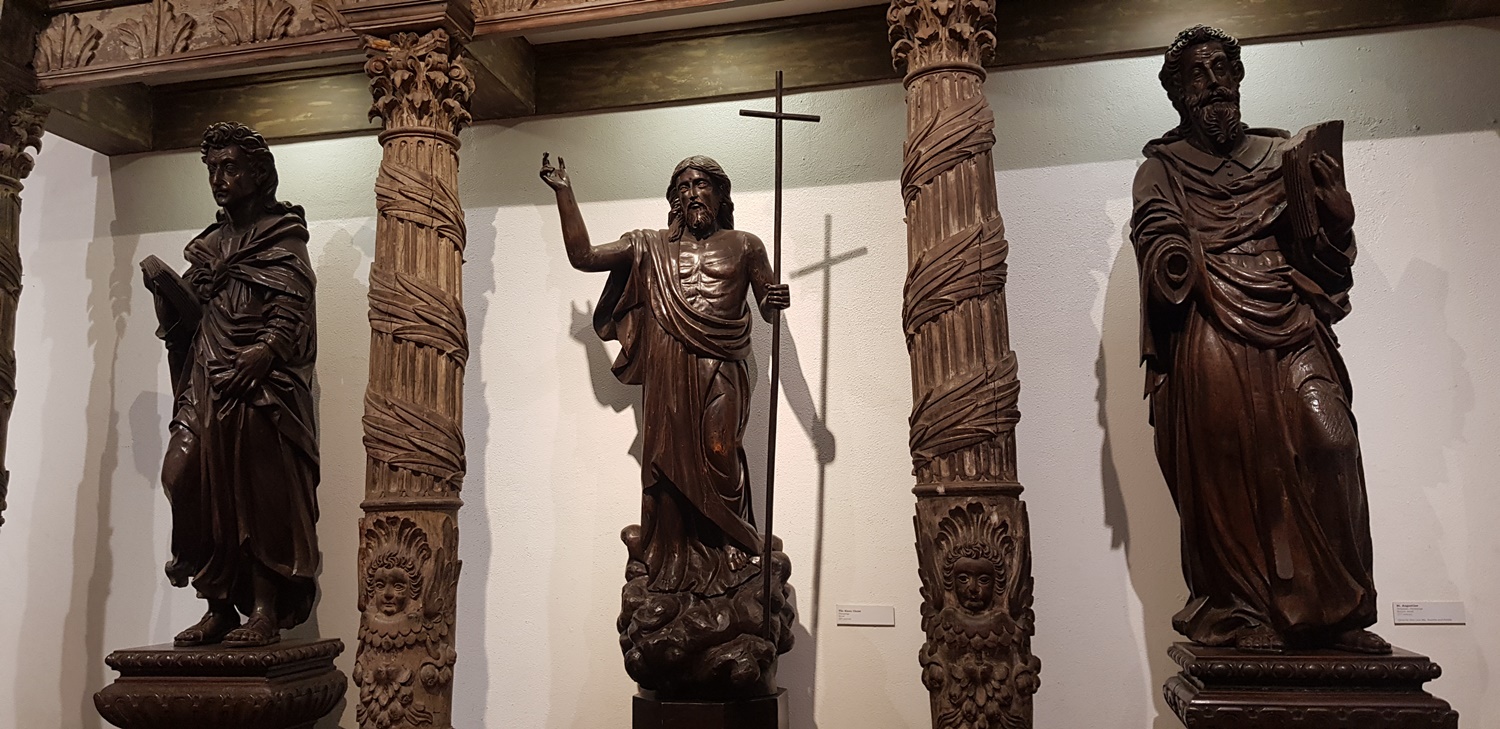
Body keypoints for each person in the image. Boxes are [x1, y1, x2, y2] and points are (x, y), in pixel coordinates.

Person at [1130, 26, 1388, 654]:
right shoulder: (1162, 169)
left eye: (1222, 68)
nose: (1213, 83)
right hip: (1210, 317)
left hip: (1289, 316)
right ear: (1177, 93)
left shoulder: (1281, 156)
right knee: (1224, 462)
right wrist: (1169, 251)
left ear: (1239, 78)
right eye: (1197, 74)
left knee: (1331, 441)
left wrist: (1337, 219)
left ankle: (1341, 611)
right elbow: (1155, 231)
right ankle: (1241, 609)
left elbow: (1323, 261)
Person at [539, 153, 789, 597]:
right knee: (668, 467)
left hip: (722, 365)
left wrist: (775, 300)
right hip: (668, 367)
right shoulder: (648, 246)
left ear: (720, 194)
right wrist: (564, 192)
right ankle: (672, 556)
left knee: (721, 452)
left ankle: (732, 544)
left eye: (701, 185)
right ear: (674, 199)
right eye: (684, 187)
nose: (693, 194)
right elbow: (584, 256)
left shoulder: (746, 245)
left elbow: (768, 311)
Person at [145, 122, 320, 648]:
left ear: (258, 174)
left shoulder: (281, 238)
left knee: (258, 495)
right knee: (184, 476)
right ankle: (217, 603)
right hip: (207, 378)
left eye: (229, 168)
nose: (219, 178)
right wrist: (168, 293)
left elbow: (293, 309)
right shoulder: (207, 246)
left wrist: (265, 352)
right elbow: (189, 318)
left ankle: (262, 609)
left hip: (261, 388)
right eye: (212, 169)